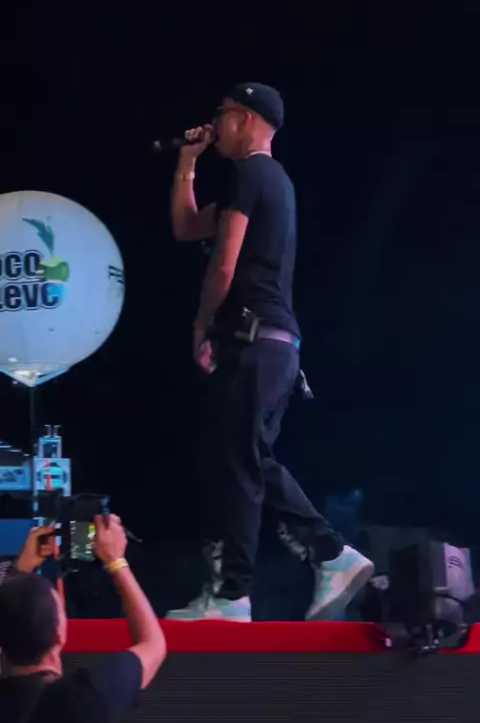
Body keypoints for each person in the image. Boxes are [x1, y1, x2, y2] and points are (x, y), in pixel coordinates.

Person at [168, 82, 374, 622]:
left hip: (254, 341)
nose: (215, 126)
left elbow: (225, 263)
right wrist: (187, 163)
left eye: (221, 115)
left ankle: (237, 592)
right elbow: (187, 227)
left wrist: (202, 324)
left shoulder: (252, 174)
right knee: (244, 459)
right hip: (275, 347)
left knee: (238, 463)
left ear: (242, 118)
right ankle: (326, 558)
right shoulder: (268, 182)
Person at [0, 514, 166, 722]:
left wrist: (18, 571)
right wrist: (115, 560)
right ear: (59, 635)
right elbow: (154, 645)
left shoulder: (87, 694)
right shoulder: (85, 698)